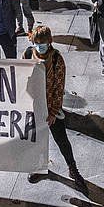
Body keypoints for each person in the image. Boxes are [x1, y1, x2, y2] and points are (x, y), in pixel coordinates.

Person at [23, 26, 82, 182]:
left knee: (61, 139)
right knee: (36, 140)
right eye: (37, 42)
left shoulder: (56, 59)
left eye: (43, 43)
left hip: (50, 107)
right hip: (33, 106)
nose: (39, 46)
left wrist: (53, 112)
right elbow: (21, 76)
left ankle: (72, 168)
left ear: (50, 42)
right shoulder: (28, 54)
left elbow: (59, 88)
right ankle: (39, 168)